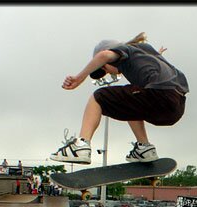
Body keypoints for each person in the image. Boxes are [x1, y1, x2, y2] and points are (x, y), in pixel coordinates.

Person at [50, 32, 189, 165]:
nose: (107, 72)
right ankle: (144, 148)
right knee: (129, 101)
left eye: (104, 68)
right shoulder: (144, 50)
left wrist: (80, 77)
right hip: (176, 106)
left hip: (159, 95)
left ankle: (81, 145)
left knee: (99, 97)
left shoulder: (124, 50)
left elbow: (104, 55)